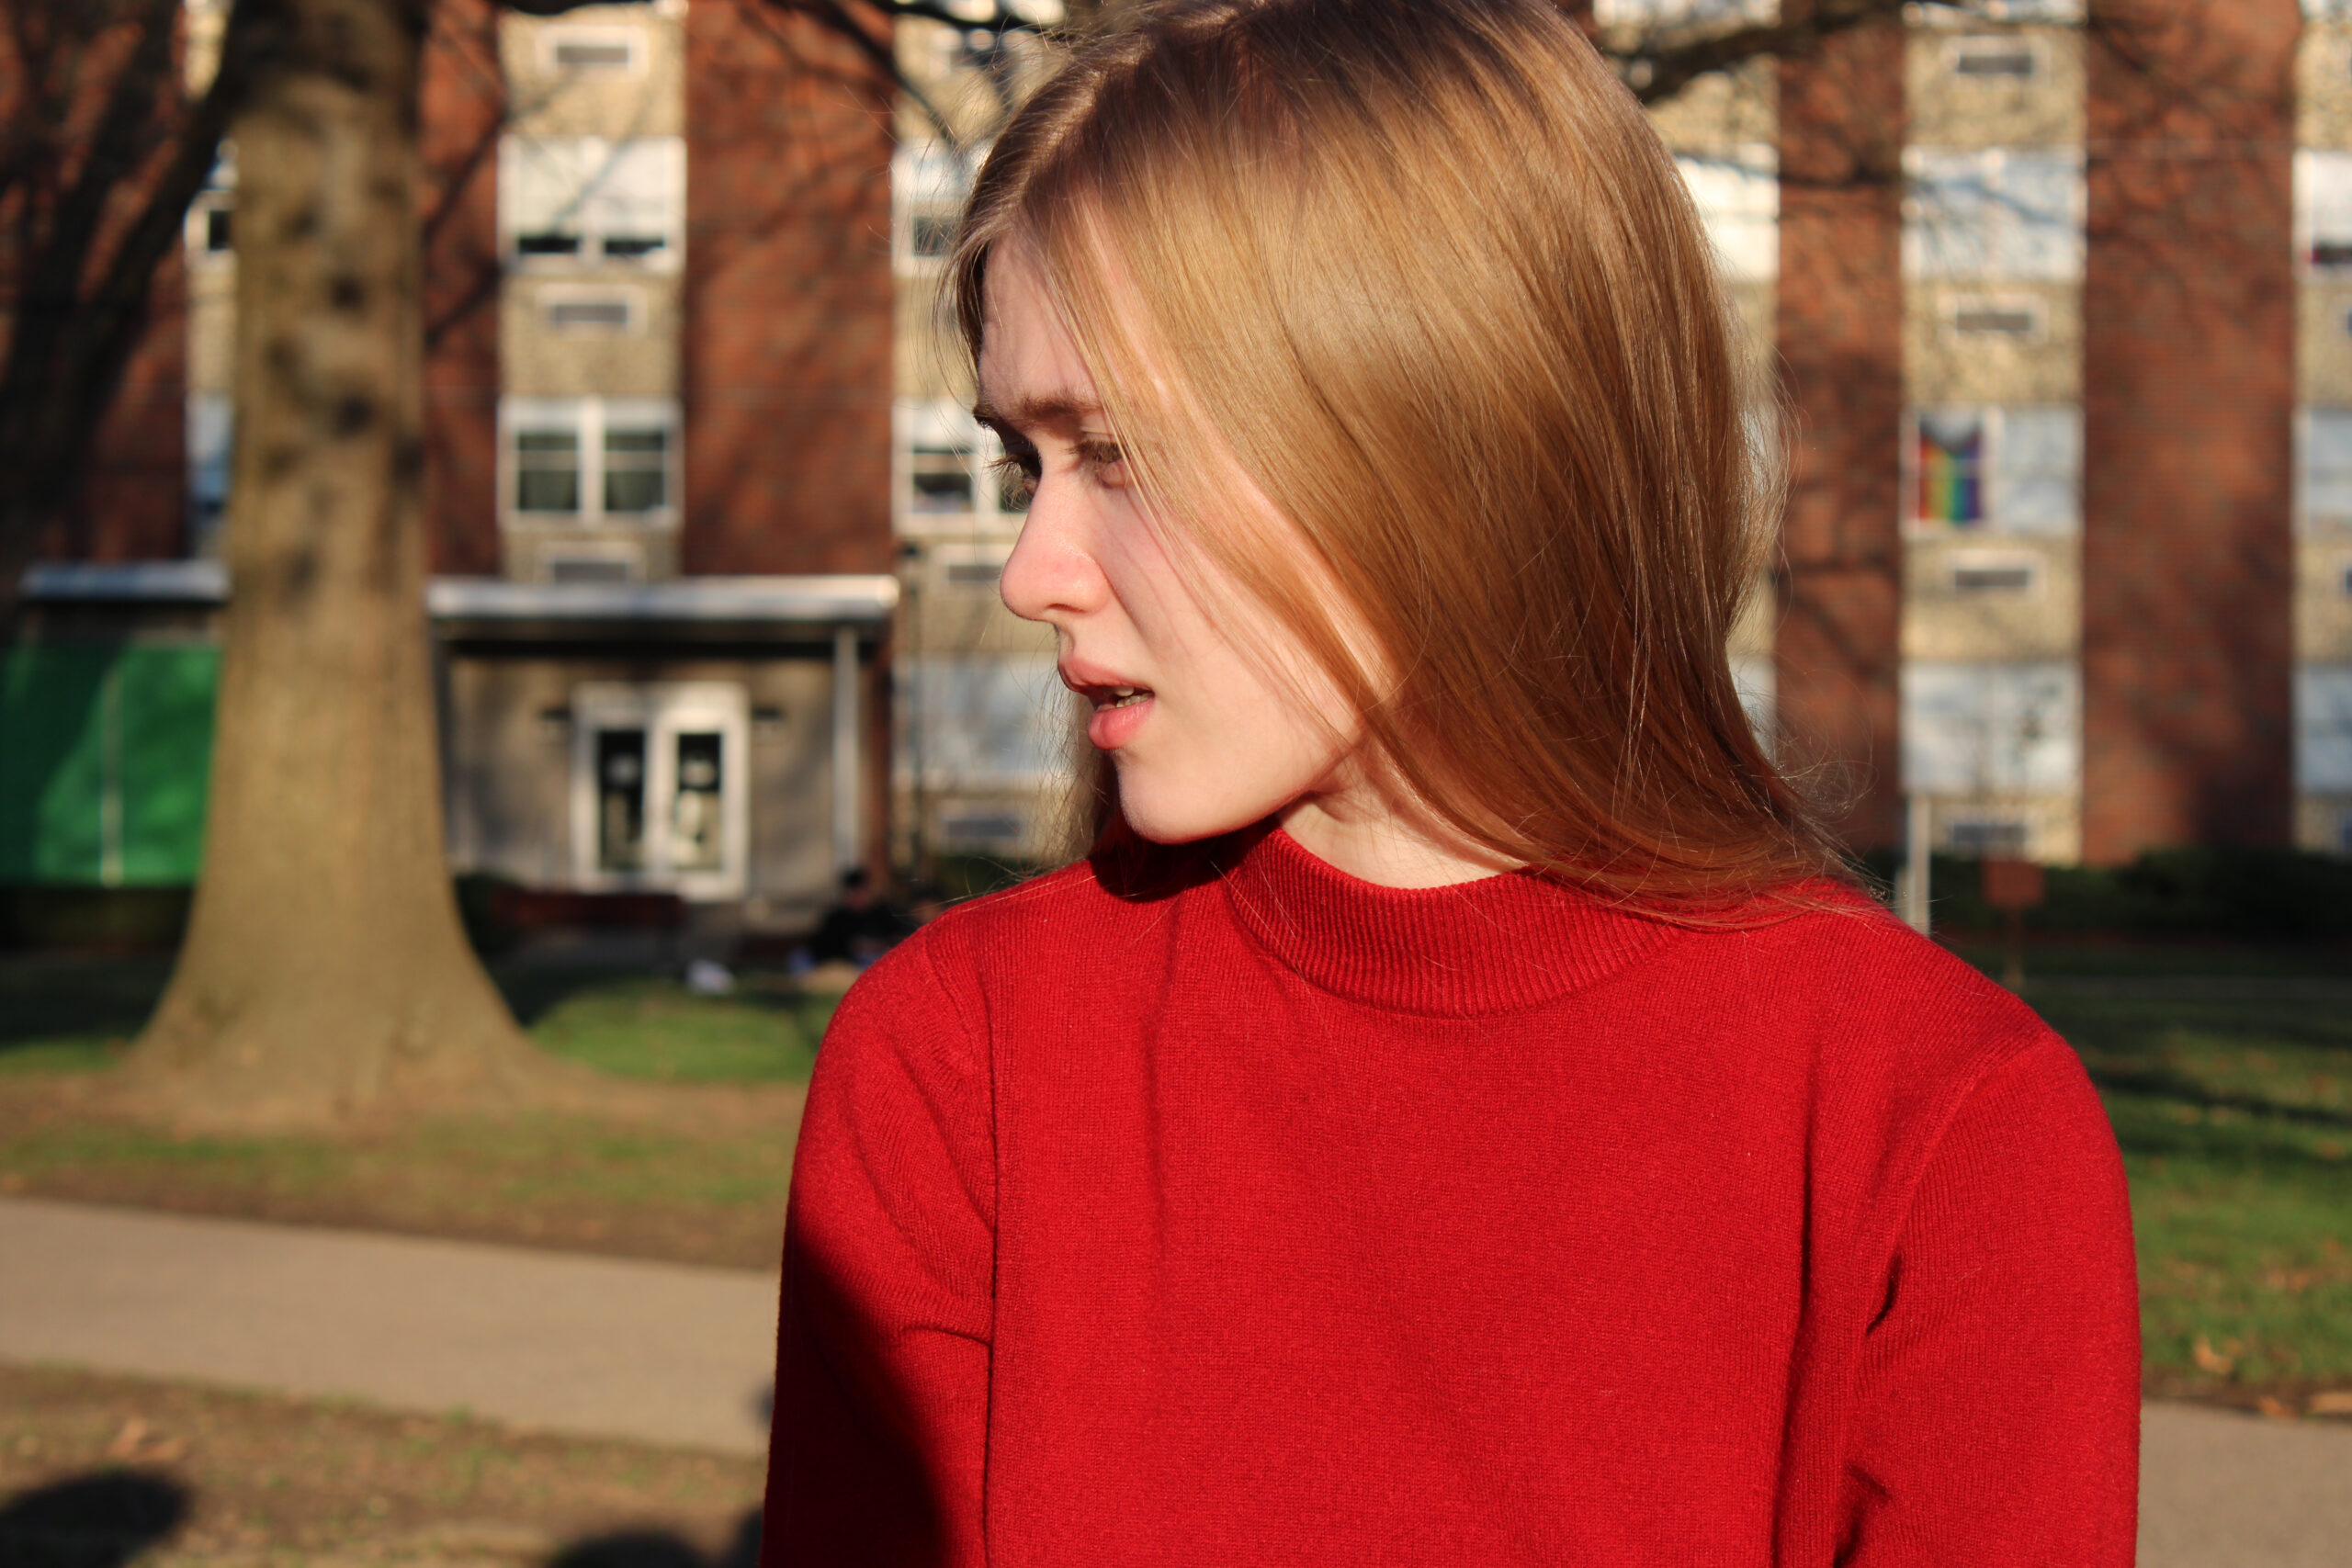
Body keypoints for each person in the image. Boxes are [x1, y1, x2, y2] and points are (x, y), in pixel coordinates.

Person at [762, 3, 2140, 1562]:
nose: (1030, 571)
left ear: (1438, 431)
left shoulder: (1939, 1129)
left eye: (1120, 452)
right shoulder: (963, 1069)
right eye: (1027, 462)